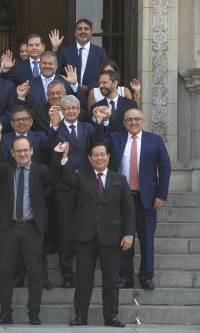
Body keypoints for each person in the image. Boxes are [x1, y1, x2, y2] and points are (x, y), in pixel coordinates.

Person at [52, 142, 135, 327]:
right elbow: (66, 180)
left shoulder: (119, 180)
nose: (99, 158)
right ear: (89, 159)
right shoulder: (81, 178)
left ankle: (111, 317)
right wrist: (63, 157)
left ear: (108, 156)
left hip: (112, 236)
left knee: (112, 280)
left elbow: (129, 210)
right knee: (83, 280)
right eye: (95, 155)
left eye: (102, 155)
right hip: (85, 236)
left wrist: (128, 234)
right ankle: (81, 316)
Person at [0, 135, 57, 325]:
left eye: (25, 150)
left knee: (35, 272)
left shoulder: (40, 170)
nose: (22, 153)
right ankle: (5, 313)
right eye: (18, 150)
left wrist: (59, 154)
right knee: (6, 272)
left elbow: (55, 176)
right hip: (9, 227)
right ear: (12, 153)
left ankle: (34, 313)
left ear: (32, 151)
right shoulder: (5, 169)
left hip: (32, 228)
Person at [103, 109, 171, 290]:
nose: (133, 122)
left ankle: (146, 277)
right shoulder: (115, 138)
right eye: (129, 120)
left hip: (146, 198)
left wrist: (161, 195)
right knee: (125, 239)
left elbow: (165, 168)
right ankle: (126, 277)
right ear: (124, 123)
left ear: (143, 120)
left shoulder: (154, 140)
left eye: (137, 119)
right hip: (121, 199)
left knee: (147, 239)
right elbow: (99, 148)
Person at [49, 95, 105, 288]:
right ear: (62, 110)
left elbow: (99, 146)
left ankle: (83, 272)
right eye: (67, 108)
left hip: (85, 185)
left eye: (75, 107)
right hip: (63, 187)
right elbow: (48, 148)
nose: (71, 111)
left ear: (80, 109)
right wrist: (54, 127)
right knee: (64, 231)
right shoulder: (57, 128)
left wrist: (99, 123)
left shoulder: (88, 128)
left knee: (85, 229)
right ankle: (66, 275)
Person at [55, 18, 108, 93]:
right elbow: (56, 72)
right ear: (75, 33)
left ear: (91, 32)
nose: (83, 31)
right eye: (79, 29)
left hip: (92, 95)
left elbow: (105, 75)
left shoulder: (100, 52)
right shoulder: (65, 51)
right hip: (69, 95)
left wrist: (88, 88)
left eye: (86, 29)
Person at [15, 51, 80, 111]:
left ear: (56, 66)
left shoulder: (65, 83)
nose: (47, 66)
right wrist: (21, 97)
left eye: (50, 64)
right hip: (36, 123)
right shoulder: (29, 84)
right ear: (39, 65)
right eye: (44, 63)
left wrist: (74, 85)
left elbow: (78, 104)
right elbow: (23, 110)